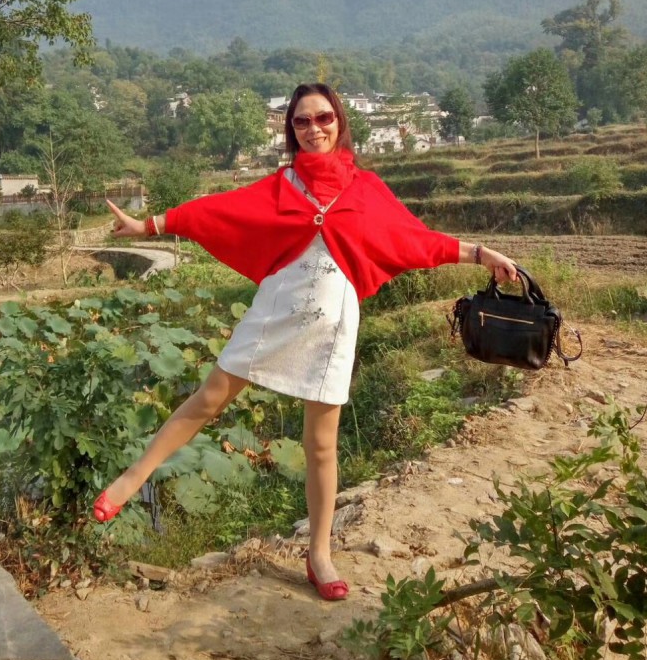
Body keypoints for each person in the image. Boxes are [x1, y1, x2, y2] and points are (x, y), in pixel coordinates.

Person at [95, 82, 517, 601]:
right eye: (302, 121)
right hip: (276, 309)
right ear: (290, 130)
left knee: (321, 445)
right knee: (209, 398)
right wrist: (149, 226)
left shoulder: (365, 188)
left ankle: (319, 554)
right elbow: (217, 212)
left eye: (323, 118)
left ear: (339, 122)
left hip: (333, 321)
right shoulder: (282, 186)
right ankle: (132, 480)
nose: (314, 128)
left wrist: (480, 253)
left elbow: (413, 238)